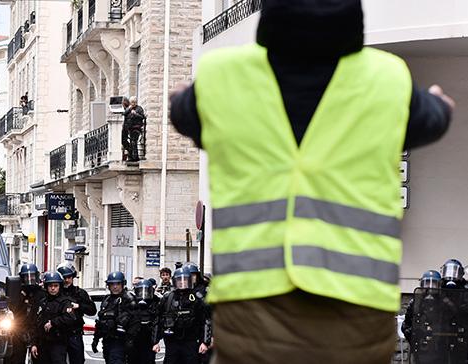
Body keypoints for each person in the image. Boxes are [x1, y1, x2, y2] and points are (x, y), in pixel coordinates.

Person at [169, 0, 454, 363]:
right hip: (355, 311)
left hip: (253, 307)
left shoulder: (221, 78)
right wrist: (438, 103)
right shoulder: (387, 81)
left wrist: (183, 100)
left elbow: (182, 111)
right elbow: (435, 117)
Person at [153, 267, 210, 364]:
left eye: (185, 279)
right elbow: (158, 320)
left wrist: (205, 342)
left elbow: (205, 320)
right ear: (175, 281)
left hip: (191, 341)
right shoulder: (168, 297)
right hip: (172, 341)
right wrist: (155, 342)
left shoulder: (197, 298)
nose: (182, 282)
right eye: (179, 280)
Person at [29, 271, 75, 364]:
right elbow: (36, 324)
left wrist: (53, 322)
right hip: (42, 345)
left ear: (60, 286)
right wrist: (34, 344)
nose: (53, 288)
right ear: (46, 287)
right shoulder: (42, 302)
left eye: (55, 286)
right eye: (50, 286)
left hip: (58, 344)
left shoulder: (65, 302)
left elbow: (70, 318)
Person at [92, 271, 135, 364]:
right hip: (108, 340)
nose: (115, 287)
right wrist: (95, 340)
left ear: (123, 284)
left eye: (118, 284)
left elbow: (135, 321)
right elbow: (101, 321)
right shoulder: (107, 300)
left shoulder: (128, 299)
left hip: (120, 341)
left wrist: (130, 340)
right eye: (112, 284)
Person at [58, 262, 97, 364]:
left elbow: (92, 310)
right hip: (58, 334)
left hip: (74, 333)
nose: (66, 280)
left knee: (77, 360)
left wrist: (79, 306)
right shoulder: (55, 292)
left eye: (69, 277)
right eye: (64, 277)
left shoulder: (80, 293)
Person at [10, 264, 45, 364]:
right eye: (26, 277)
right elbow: (13, 309)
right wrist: (21, 296)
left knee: (38, 358)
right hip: (19, 330)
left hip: (36, 331)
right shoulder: (17, 294)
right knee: (16, 358)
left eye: (32, 277)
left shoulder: (42, 293)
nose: (30, 280)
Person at [401, 270, 442, 344]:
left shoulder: (443, 302)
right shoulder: (415, 302)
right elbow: (406, 325)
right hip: (419, 344)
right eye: (427, 283)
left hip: (438, 344)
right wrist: (413, 333)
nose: (430, 287)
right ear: (422, 285)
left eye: (434, 284)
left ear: (439, 286)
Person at [127, 279, 160, 364]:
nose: (143, 294)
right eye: (140, 291)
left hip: (149, 341)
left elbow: (157, 324)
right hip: (134, 341)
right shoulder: (132, 304)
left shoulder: (155, 304)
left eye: (146, 291)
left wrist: (155, 342)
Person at [123, 97, 146, 162]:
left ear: (136, 102)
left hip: (137, 127)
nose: (133, 103)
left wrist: (135, 114)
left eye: (134, 102)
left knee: (134, 141)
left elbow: (142, 117)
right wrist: (129, 109)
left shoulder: (139, 108)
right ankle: (131, 156)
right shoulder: (129, 108)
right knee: (130, 142)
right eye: (131, 102)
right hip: (130, 128)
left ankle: (135, 157)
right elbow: (124, 114)